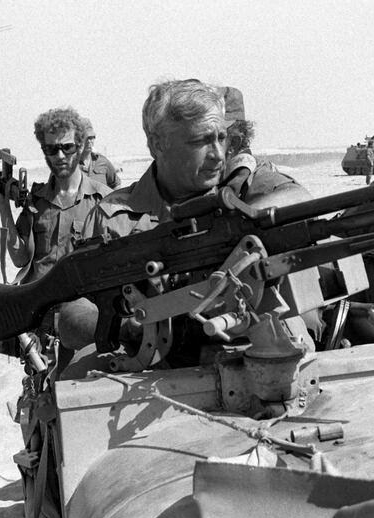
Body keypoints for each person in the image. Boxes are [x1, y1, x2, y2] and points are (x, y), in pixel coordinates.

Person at [60, 79, 314, 377]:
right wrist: (134, 326)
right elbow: (71, 317)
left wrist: (241, 219)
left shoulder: (243, 188)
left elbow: (301, 202)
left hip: (258, 357)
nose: (218, 154)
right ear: (158, 144)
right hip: (156, 373)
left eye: (221, 138)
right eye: (201, 141)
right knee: (75, 381)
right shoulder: (114, 216)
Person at [0, 107, 112, 286]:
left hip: (82, 304)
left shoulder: (103, 200)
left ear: (80, 147)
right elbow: (20, 258)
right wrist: (3, 206)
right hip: (38, 303)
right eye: (52, 149)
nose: (60, 156)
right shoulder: (36, 201)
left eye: (68, 147)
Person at [79, 119, 123, 189]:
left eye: (92, 138)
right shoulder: (72, 165)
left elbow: (116, 184)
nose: (90, 141)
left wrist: (112, 199)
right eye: (86, 138)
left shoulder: (102, 162)